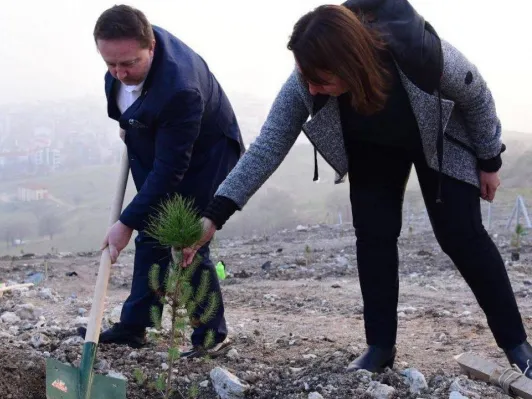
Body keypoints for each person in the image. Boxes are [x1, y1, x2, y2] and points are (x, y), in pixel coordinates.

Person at [184, 0, 532, 376]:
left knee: (462, 236)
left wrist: (490, 161)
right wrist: (214, 214)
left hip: (438, 138)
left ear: (352, 63)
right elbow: (267, 147)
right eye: (307, 78)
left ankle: (517, 345)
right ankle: (379, 347)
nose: (313, 88)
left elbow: (477, 95)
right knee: (373, 236)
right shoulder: (306, 81)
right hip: (372, 149)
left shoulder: (421, 55)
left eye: (322, 80)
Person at [77, 4, 245, 358]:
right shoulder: (126, 55)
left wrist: (124, 222)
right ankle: (134, 327)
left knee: (186, 240)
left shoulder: (180, 88)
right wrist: (129, 124)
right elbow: (125, 105)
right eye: (110, 64)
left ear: (150, 46)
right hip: (158, 142)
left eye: (129, 64)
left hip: (205, 155)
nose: (120, 73)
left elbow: (170, 171)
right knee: (151, 235)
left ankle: (212, 338)